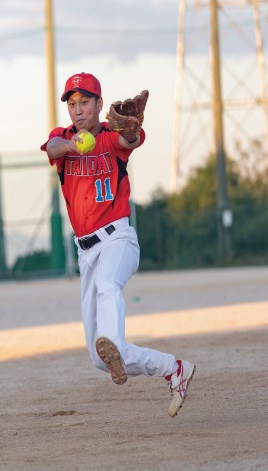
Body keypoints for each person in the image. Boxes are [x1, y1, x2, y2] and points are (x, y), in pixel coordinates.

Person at [40, 72, 195, 417]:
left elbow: (131, 140)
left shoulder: (111, 138)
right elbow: (51, 148)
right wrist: (72, 144)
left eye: (85, 102)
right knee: (100, 357)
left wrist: (129, 130)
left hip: (118, 239)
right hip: (86, 252)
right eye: (72, 103)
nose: (78, 110)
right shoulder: (61, 138)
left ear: (99, 104)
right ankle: (174, 369)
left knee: (109, 286)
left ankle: (111, 338)